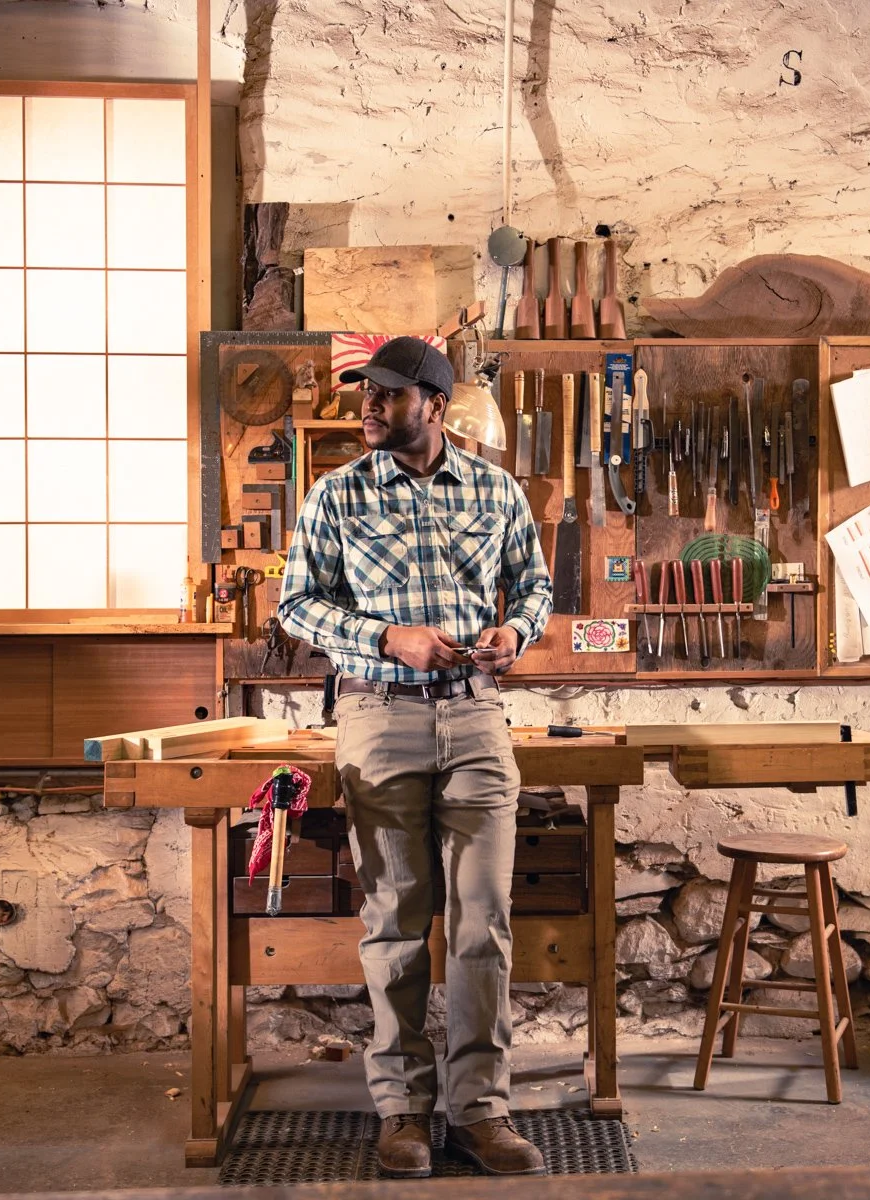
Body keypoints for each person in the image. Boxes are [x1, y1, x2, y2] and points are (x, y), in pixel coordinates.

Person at [277, 336, 554, 1177]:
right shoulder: (337, 496)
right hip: (378, 716)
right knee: (395, 922)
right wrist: (383, 638)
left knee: (482, 923)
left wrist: (517, 631)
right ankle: (401, 1108)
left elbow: (535, 586)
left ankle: (481, 1111)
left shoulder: (495, 489)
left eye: (390, 395)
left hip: (475, 720)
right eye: (367, 392)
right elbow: (297, 604)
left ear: (434, 405)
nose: (369, 406)